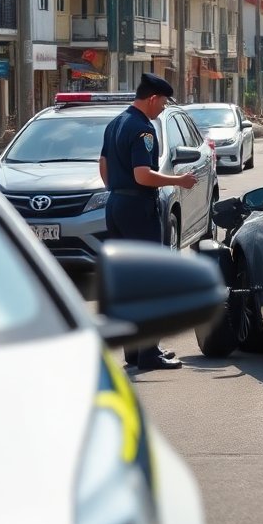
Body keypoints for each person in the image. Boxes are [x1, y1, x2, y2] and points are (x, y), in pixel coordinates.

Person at [99, 72, 198, 373]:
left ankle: (133, 350)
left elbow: (103, 167)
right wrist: (178, 179)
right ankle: (148, 353)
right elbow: (143, 174)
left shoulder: (116, 123)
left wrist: (119, 191)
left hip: (116, 204)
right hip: (138, 207)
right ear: (153, 98)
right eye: (164, 102)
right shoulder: (143, 129)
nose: (164, 109)